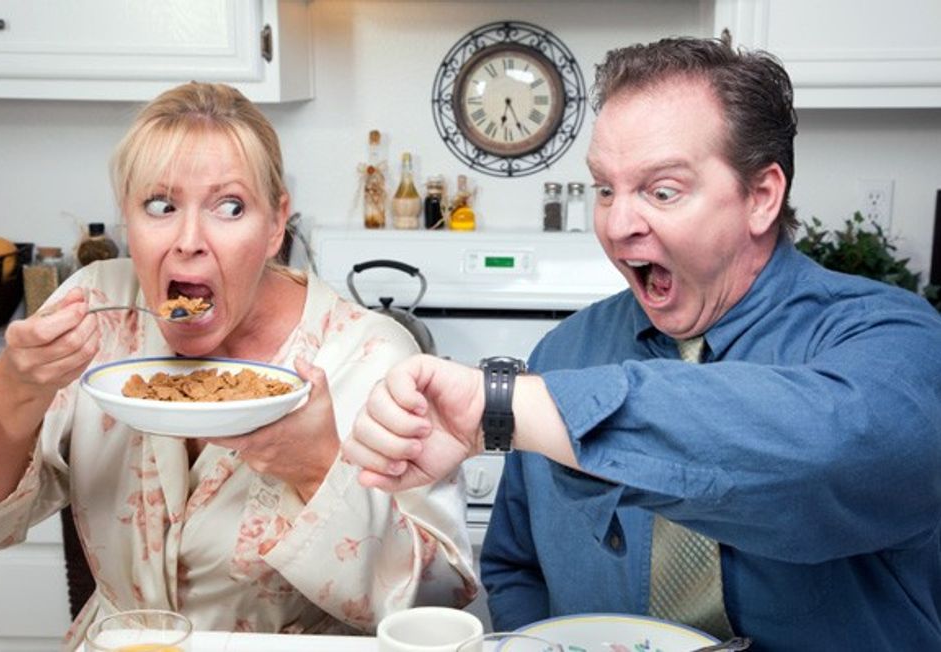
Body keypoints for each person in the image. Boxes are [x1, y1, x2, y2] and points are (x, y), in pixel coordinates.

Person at [343, 37, 941, 650]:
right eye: (605, 189)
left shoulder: (893, 341)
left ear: (761, 196)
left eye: (661, 191)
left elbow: (829, 451)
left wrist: (505, 408)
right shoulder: (563, 357)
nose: (617, 223)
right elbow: (517, 566)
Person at [0, 82, 477, 649]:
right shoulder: (98, 314)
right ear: (127, 219)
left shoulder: (371, 357)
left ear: (277, 224)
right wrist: (14, 391)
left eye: (230, 207)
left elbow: (441, 606)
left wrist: (317, 470)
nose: (189, 242)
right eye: (160, 205)